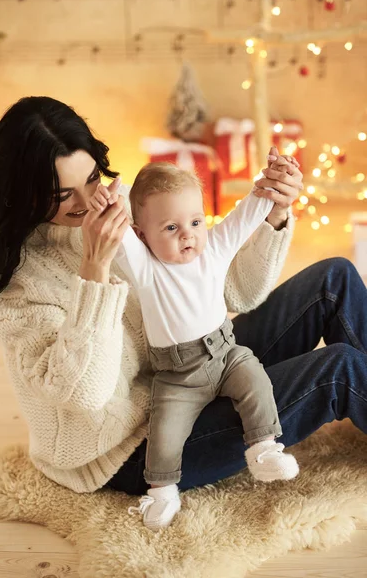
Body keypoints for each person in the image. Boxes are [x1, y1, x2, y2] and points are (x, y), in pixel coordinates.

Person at [0, 96, 366, 513]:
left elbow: (234, 292)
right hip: (138, 445)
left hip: (201, 364)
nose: (87, 203)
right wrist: (95, 269)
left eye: (91, 179)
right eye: (62, 194)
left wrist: (275, 214)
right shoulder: (13, 283)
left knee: (333, 278)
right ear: (21, 191)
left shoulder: (118, 212)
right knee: (338, 369)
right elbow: (86, 393)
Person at [110, 162, 299, 531]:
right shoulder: (145, 268)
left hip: (226, 354)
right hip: (178, 377)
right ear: (142, 234)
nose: (188, 236)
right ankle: (162, 490)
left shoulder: (212, 250)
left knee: (255, 380)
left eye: (195, 222)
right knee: (164, 431)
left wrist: (272, 183)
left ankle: (263, 447)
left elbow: (246, 214)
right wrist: (113, 201)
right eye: (170, 228)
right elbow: (121, 240)